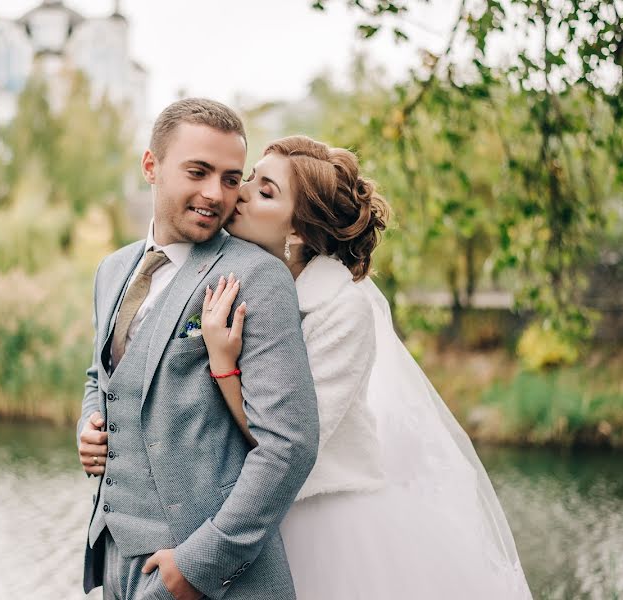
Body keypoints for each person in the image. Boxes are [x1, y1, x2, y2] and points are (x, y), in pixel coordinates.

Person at [199, 135, 534, 599]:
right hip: (252, 508)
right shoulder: (240, 277)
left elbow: (288, 439)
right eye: (252, 178)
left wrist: (223, 363)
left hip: (321, 518)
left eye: (266, 190)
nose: (242, 191)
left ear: (297, 231)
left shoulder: (342, 309)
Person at [76, 100, 320, 600]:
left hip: (206, 575)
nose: (215, 193)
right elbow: (101, 377)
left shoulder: (258, 277)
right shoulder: (112, 271)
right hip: (115, 562)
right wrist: (89, 424)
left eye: (232, 179)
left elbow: (290, 445)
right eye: (198, 171)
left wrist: (201, 563)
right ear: (151, 166)